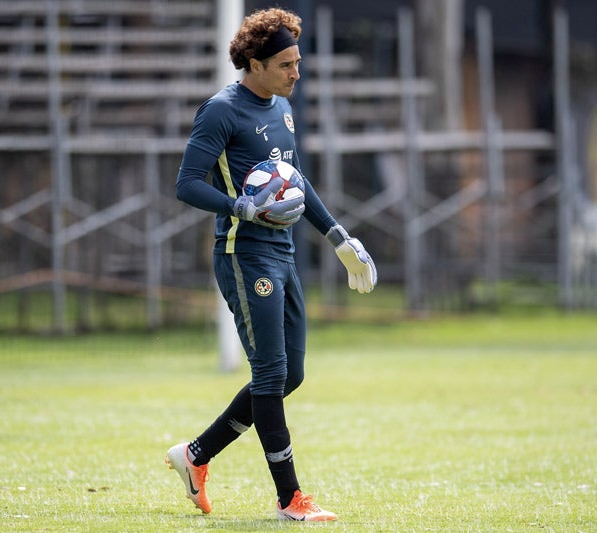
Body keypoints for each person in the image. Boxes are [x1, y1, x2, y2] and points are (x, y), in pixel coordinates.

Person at [165, 7, 377, 522]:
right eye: (286, 64)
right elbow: (187, 183)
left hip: (283, 254)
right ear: (255, 64)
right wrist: (239, 205)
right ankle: (290, 499)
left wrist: (337, 235)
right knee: (270, 371)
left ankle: (194, 456)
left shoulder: (281, 109)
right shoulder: (220, 111)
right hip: (243, 253)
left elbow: (297, 180)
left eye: (297, 61)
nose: (296, 73)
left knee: (290, 375)